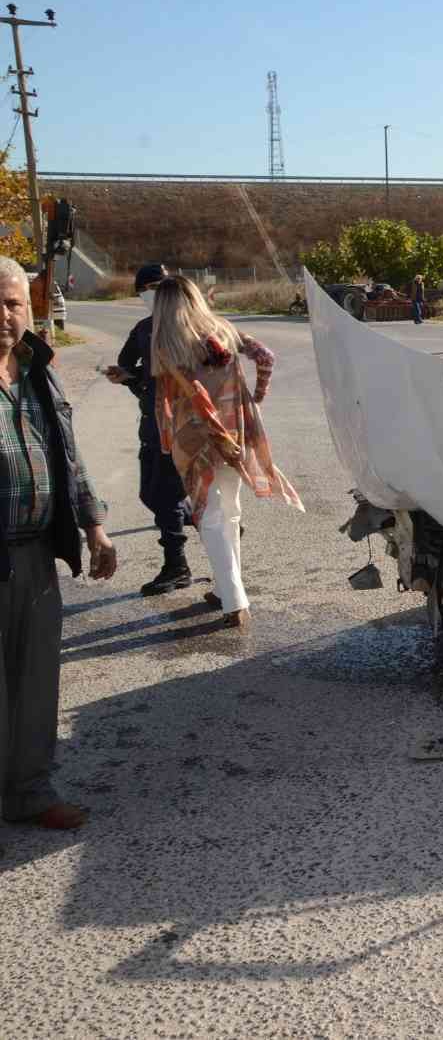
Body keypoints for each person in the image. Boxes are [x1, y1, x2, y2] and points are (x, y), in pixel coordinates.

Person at [0, 256, 117, 830]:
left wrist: (94, 526)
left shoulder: (39, 369)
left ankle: (29, 792)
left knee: (36, 682)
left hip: (38, 553)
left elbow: (68, 455)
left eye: (13, 304)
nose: (5, 316)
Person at [150, 276, 303, 630]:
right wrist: (257, 396)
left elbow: (163, 401)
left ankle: (234, 600)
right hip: (236, 430)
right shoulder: (224, 329)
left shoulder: (166, 342)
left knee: (210, 515)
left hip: (195, 438)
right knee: (230, 512)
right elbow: (266, 357)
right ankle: (223, 589)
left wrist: (165, 440)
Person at [106, 262, 192, 597]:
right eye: (146, 290)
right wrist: (133, 380)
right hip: (150, 424)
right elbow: (128, 366)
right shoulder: (142, 329)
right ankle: (202, 518)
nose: (152, 295)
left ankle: (176, 566)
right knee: (150, 494)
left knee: (166, 497)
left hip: (179, 425)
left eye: (158, 287)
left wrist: (144, 380)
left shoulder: (187, 326)